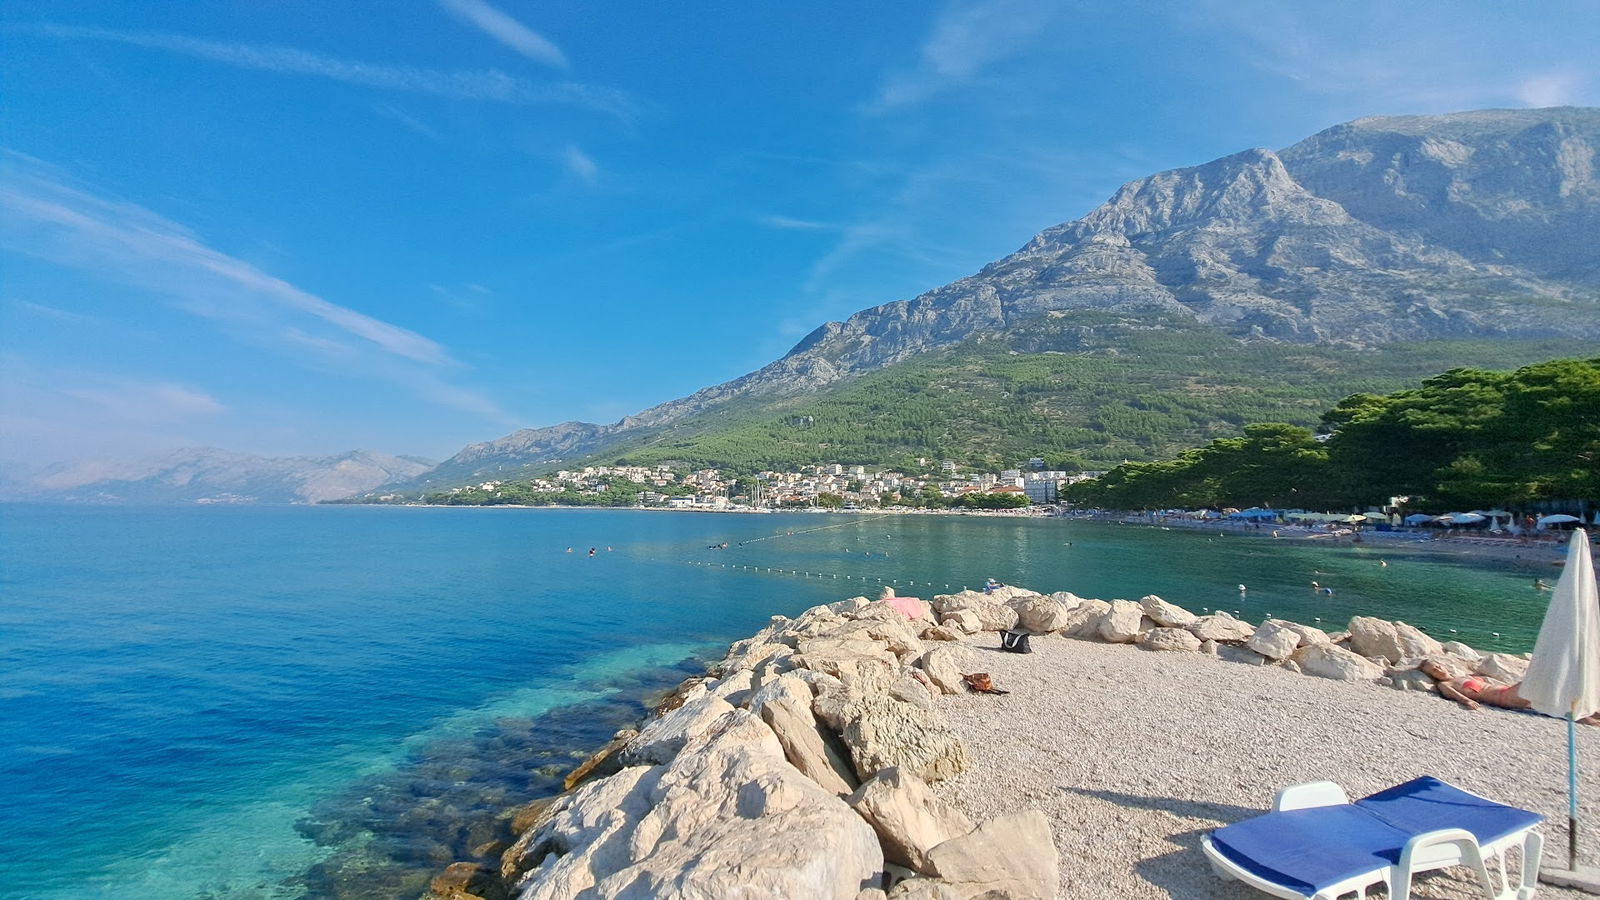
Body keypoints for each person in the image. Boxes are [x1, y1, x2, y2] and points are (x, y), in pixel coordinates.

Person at [1418, 659, 1600, 724]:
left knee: (1553, 696)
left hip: (1507, 690)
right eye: (1434, 670)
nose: (1439, 669)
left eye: (1438, 665)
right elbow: (1456, 696)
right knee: (1545, 679)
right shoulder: (1446, 685)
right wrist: (1466, 702)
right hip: (1504, 698)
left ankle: (1589, 715)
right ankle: (1587, 714)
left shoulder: (1462, 674)